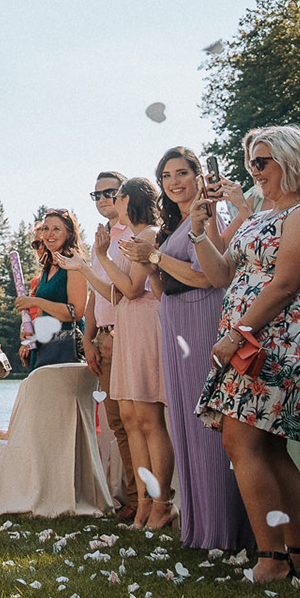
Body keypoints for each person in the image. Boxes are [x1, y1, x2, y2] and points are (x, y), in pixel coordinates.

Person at [190, 128, 300, 581]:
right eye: (251, 162)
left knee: (241, 442)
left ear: (291, 162)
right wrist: (198, 233)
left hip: (279, 339)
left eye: (261, 162)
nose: (253, 171)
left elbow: (285, 285)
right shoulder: (261, 215)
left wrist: (238, 335)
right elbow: (221, 276)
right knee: (270, 446)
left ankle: (272, 558)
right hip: (251, 335)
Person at [136, 148, 251, 554]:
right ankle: (198, 525)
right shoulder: (173, 226)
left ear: (199, 176)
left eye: (182, 172)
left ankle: (223, 527)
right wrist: (151, 266)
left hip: (202, 317)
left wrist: (155, 256)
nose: (174, 182)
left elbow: (207, 277)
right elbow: (160, 288)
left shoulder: (208, 217)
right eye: (166, 176)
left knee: (207, 422)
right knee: (183, 418)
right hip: (173, 319)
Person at [94, 177, 174, 532]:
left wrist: (100, 257)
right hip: (126, 324)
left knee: (148, 417)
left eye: (118, 196)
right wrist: (87, 266)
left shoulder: (149, 236)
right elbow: (115, 293)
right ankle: (142, 502)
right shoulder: (129, 239)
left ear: (131, 200)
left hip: (145, 324)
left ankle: (162, 502)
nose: (113, 202)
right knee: (129, 417)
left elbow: (131, 288)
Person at [67, 172, 136, 518]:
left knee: (138, 419)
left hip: (132, 333)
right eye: (96, 195)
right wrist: (89, 339)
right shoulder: (102, 238)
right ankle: (133, 498)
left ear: (125, 195)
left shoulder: (134, 233)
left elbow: (125, 291)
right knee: (117, 421)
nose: (103, 199)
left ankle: (150, 500)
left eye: (110, 192)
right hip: (104, 337)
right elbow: (95, 295)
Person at [20, 210, 86, 372]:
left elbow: (75, 313)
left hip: (66, 349)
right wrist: (29, 330)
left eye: (56, 229)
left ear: (69, 234)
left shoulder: (75, 264)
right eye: (46, 229)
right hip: (43, 348)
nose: (50, 234)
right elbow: (42, 313)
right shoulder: (47, 267)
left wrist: (35, 301)